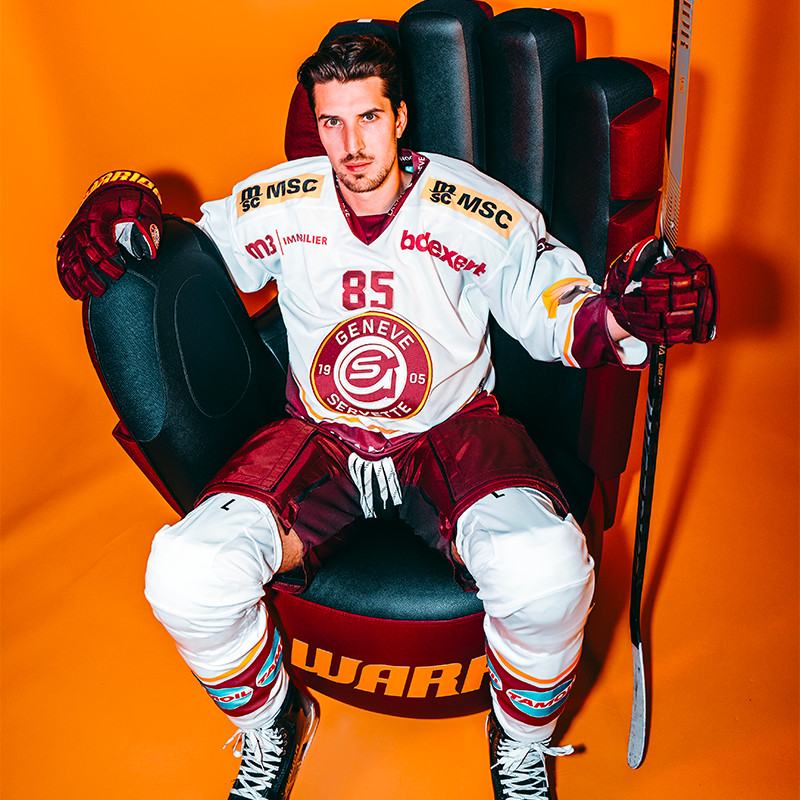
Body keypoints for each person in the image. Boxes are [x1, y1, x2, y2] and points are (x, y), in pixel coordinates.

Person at [56, 34, 716, 800]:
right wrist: (121, 209)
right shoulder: (282, 199)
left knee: (549, 571)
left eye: (368, 117)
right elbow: (187, 255)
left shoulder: (472, 207)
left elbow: (553, 308)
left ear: (400, 115)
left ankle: (520, 740)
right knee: (184, 574)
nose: (350, 144)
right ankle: (275, 722)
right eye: (331, 122)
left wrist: (629, 311)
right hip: (319, 441)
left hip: (451, 433)